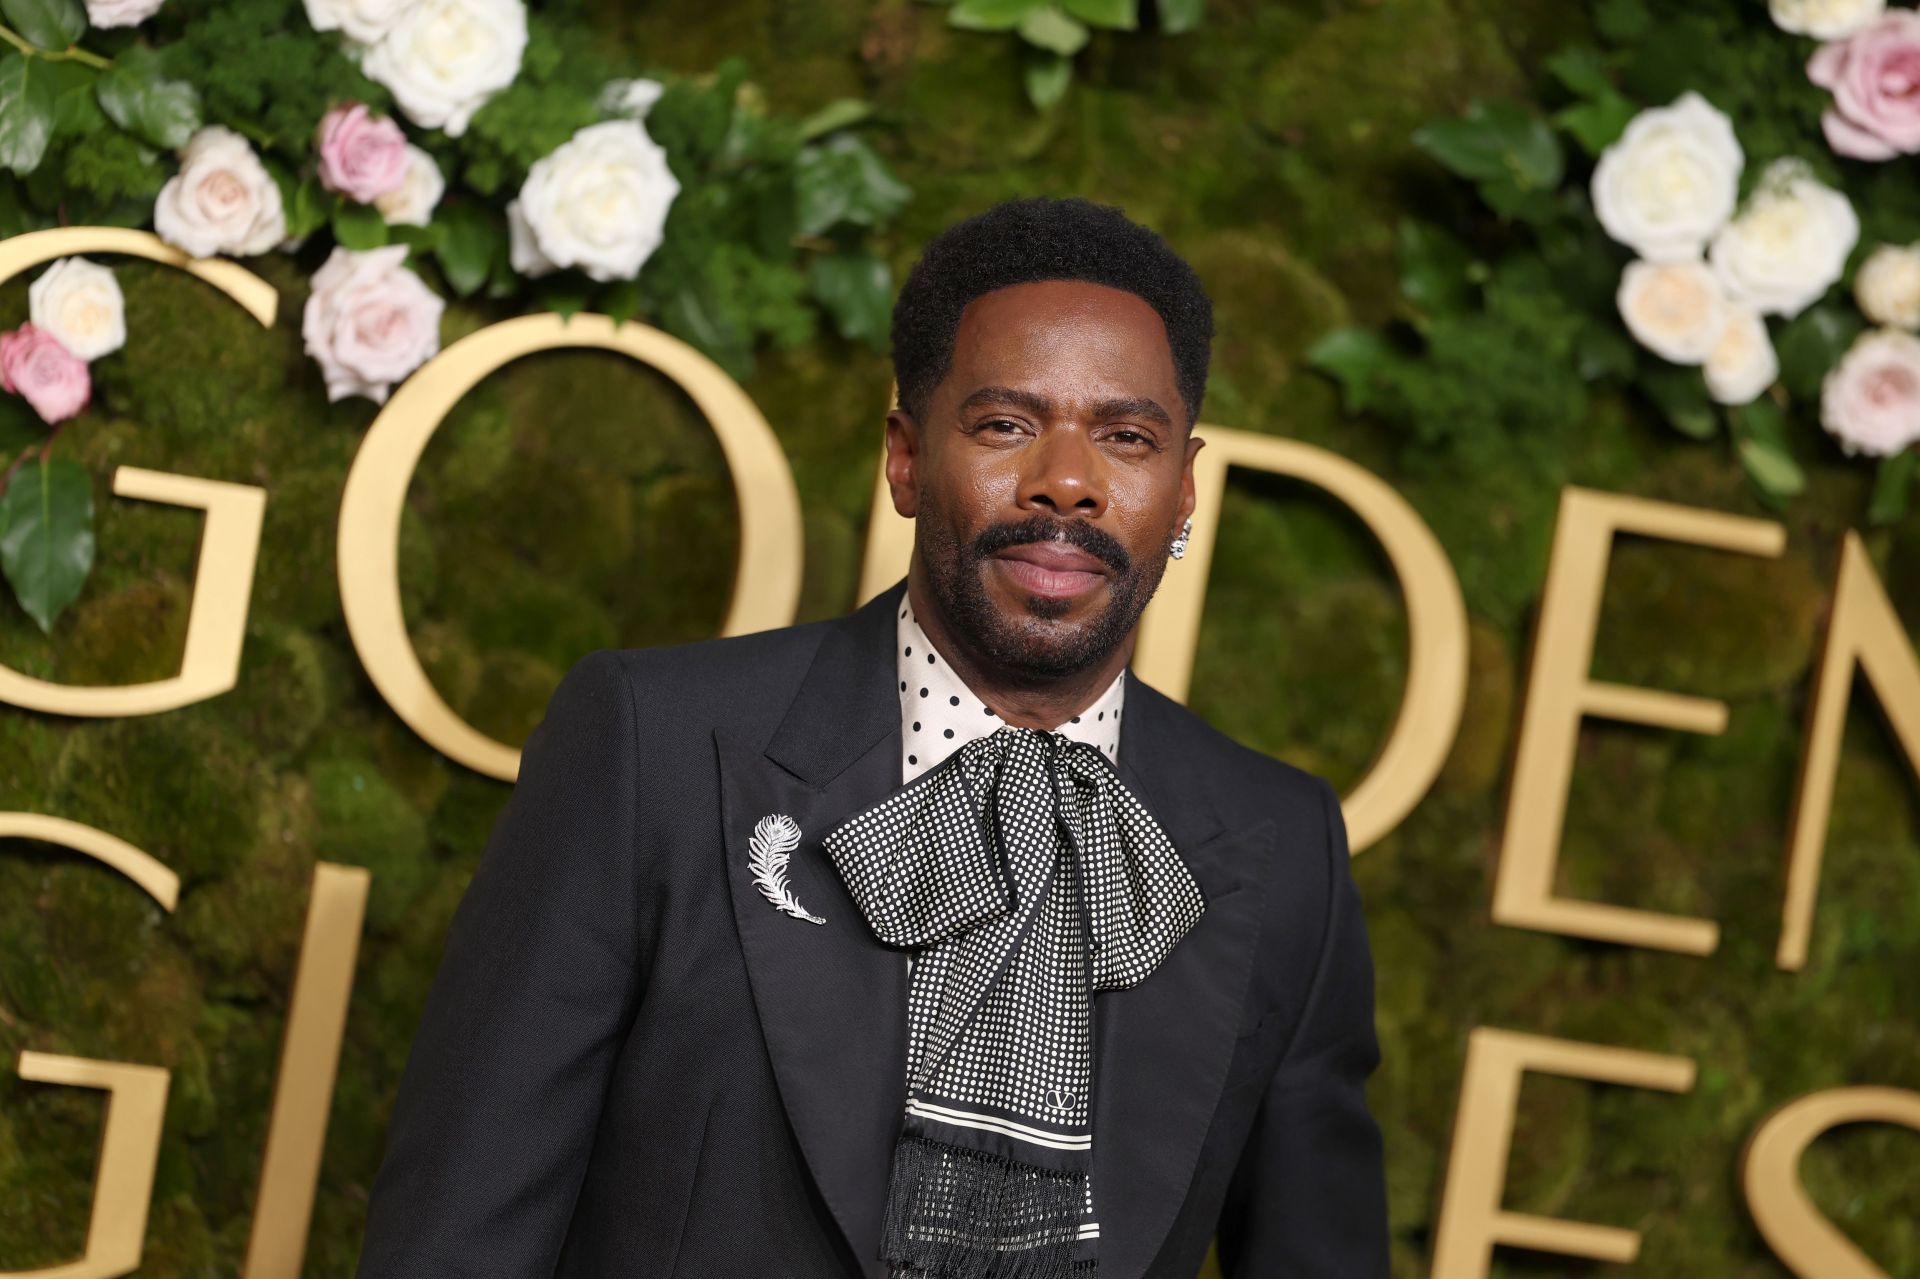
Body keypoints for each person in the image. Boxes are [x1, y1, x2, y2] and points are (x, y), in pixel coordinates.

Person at [353, 195, 1389, 1279]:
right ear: (904, 456)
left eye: (1127, 438)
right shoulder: (648, 747)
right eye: (1005, 424)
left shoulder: (1285, 847)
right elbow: (456, 1236)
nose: (1067, 483)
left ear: (1182, 490)